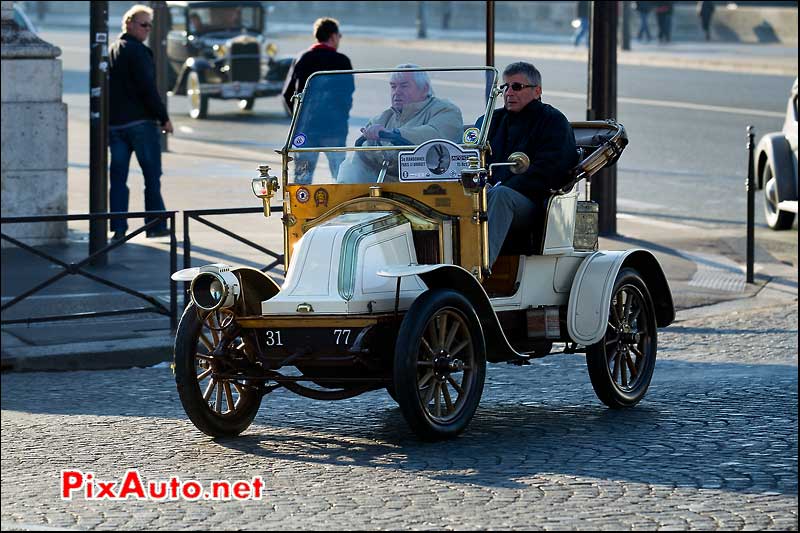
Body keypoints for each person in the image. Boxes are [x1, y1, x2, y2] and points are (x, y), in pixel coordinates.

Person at [475, 62, 578, 270]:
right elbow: (470, 154)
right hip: (489, 194)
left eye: (517, 87)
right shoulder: (491, 120)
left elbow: (552, 170)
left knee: (501, 195)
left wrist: (503, 186)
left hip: (532, 203)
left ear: (537, 91)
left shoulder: (552, 121)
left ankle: (478, 269)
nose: (509, 92)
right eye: (505, 87)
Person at [108, 5, 173, 241]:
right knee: (152, 175)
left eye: (149, 25)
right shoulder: (139, 52)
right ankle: (154, 224)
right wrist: (163, 117)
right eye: (144, 24)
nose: (147, 30)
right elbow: (148, 89)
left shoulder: (112, 50)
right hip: (140, 124)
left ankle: (118, 227)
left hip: (115, 126)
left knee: (118, 179)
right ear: (129, 24)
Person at [342, 65, 463, 183]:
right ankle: (343, 198)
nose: (397, 92)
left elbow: (435, 135)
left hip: (429, 185)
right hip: (387, 188)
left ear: (424, 89)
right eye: (393, 87)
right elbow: (363, 152)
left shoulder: (446, 110)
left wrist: (395, 134)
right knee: (351, 162)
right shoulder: (382, 118)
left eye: (404, 86)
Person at [282, 17, 354, 184]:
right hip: (334, 130)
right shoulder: (342, 61)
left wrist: (298, 119)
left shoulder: (303, 58)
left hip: (306, 131)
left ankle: (300, 210)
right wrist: (340, 116)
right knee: (340, 178)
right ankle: (340, 209)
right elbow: (347, 95)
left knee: (302, 180)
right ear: (333, 36)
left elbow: (287, 94)